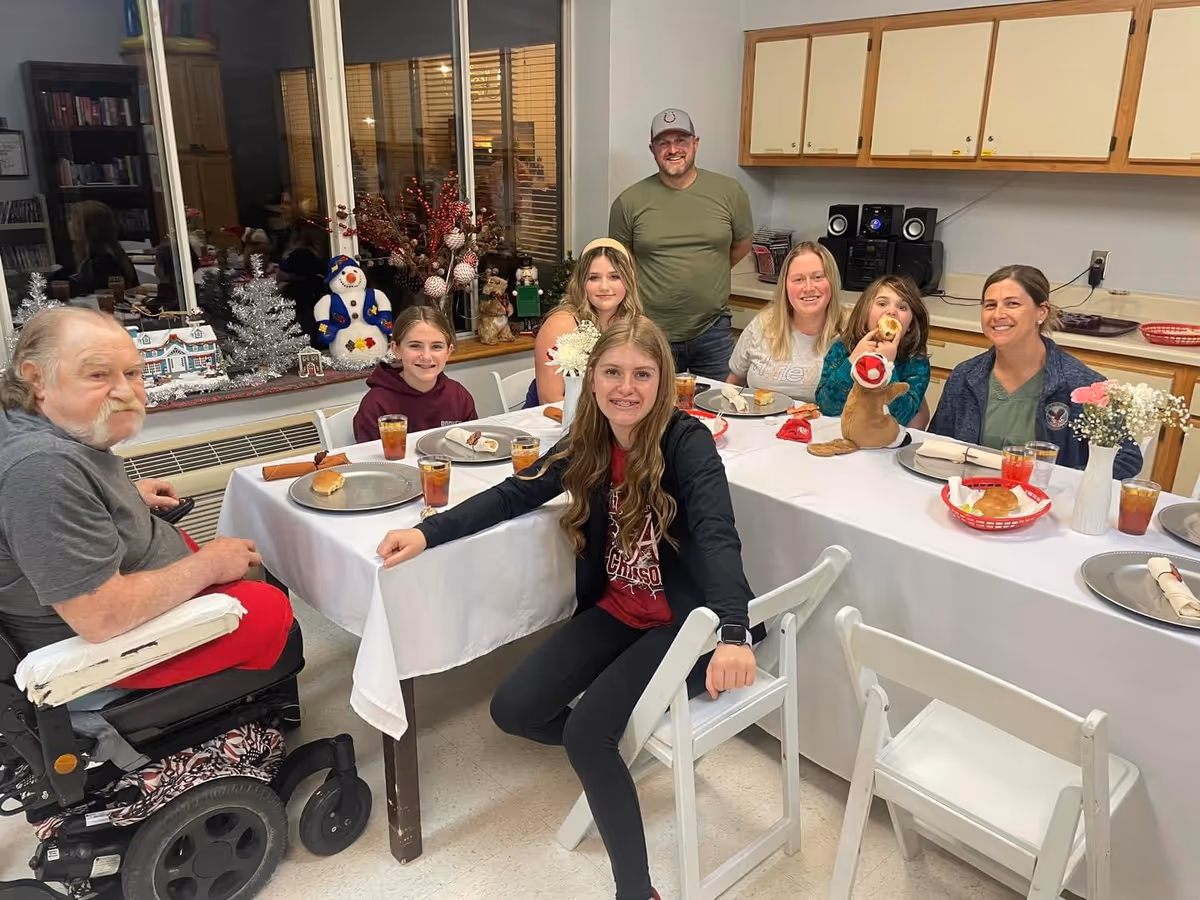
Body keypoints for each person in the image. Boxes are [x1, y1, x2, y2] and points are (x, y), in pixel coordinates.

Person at [376, 317, 757, 900]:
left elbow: (716, 533)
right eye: (612, 372)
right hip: (618, 607)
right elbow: (516, 491)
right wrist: (429, 533)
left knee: (586, 733)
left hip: (682, 621)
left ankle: (637, 890)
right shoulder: (591, 436)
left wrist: (734, 630)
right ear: (593, 377)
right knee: (513, 710)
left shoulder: (686, 440)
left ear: (663, 380)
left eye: (641, 374)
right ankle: (614, 748)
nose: (625, 388)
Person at [0, 307, 293, 689]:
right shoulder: (41, 468)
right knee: (271, 609)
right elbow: (101, 617)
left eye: (132, 373)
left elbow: (51, 519)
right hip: (93, 652)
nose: (125, 391)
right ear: (36, 379)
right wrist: (207, 567)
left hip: (123, 583)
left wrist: (123, 500)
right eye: (97, 375)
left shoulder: (31, 426)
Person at [929, 264, 1142, 478]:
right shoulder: (964, 377)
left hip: (1048, 502)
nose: (998, 314)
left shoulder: (1082, 387)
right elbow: (938, 446)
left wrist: (1067, 479)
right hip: (970, 498)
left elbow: (1127, 459)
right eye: (990, 305)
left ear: (1041, 312)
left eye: (1012, 304)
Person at [609, 108, 754, 381]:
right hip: (650, 331)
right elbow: (619, 266)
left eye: (681, 141)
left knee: (724, 409)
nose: (673, 149)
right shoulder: (629, 202)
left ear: (695, 144)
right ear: (652, 149)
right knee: (652, 416)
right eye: (664, 142)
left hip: (713, 329)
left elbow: (741, 245)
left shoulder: (729, 192)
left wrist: (710, 269)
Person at [525, 238, 643, 408]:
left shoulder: (637, 324)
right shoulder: (560, 325)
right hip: (557, 421)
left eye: (614, 277)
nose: (604, 287)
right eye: (594, 278)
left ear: (628, 281)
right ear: (581, 282)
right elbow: (551, 402)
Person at [727, 241, 841, 403]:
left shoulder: (851, 332)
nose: (808, 287)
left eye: (817, 277)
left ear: (832, 282)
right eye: (798, 279)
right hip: (761, 424)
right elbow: (734, 383)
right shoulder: (762, 324)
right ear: (785, 286)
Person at [817, 274, 931, 427]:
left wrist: (887, 366)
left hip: (887, 441)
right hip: (841, 431)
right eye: (882, 303)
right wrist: (853, 360)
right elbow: (827, 405)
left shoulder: (916, 363)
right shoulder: (842, 349)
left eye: (902, 307)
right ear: (865, 312)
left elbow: (902, 417)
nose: (892, 311)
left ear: (910, 324)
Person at [352, 305, 478, 443]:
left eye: (437, 346)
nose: (426, 356)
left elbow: (472, 447)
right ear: (396, 349)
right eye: (415, 346)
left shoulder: (459, 396)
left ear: (448, 352)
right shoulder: (375, 404)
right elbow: (369, 460)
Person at [68, 201, 139, 298]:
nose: (69, 224)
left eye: (73, 221)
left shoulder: (100, 264)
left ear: (86, 228)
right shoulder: (117, 256)